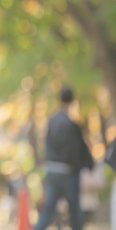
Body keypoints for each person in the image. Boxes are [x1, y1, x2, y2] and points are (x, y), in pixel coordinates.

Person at [34, 86, 94, 230]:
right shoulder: (71, 124)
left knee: (48, 210)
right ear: (72, 101)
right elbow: (77, 150)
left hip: (52, 171)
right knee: (75, 210)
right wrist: (88, 165)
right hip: (68, 173)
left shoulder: (51, 121)